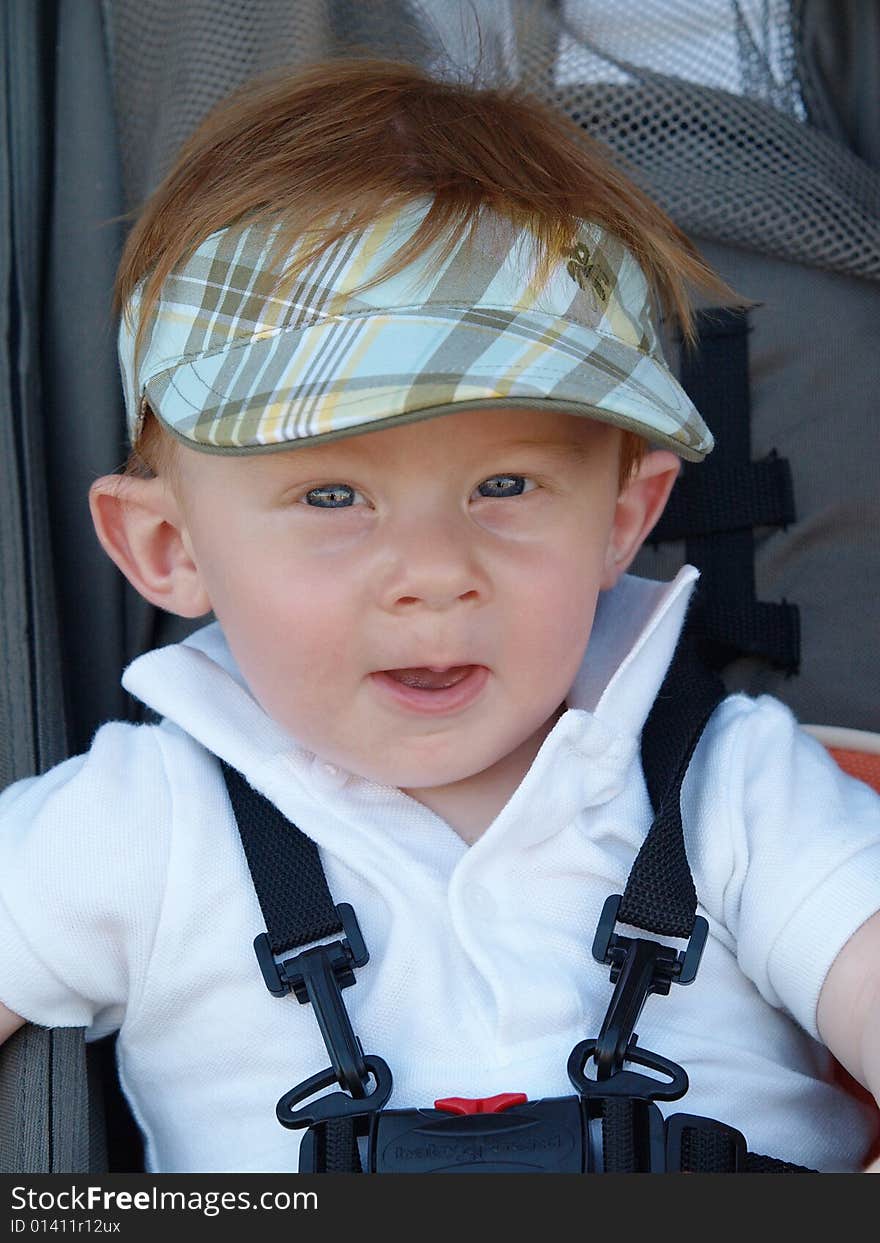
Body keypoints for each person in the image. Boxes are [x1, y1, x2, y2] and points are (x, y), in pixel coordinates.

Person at [0, 58, 878, 1175]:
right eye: (332, 497)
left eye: (503, 488)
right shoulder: (137, 821)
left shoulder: (732, 785)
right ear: (169, 547)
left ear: (622, 515)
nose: (432, 572)